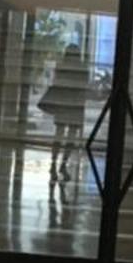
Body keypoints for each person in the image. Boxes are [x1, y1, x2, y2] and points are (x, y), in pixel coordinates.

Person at [38, 40, 89, 194]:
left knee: (59, 134)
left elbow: (57, 83)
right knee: (71, 136)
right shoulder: (83, 68)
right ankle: (62, 164)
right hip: (75, 105)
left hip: (63, 104)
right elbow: (84, 87)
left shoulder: (61, 66)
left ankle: (54, 164)